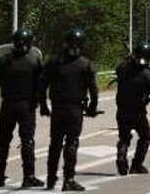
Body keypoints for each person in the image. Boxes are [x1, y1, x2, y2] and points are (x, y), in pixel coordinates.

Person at [39, 29, 99, 191]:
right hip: (74, 108)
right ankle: (68, 179)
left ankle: (51, 178)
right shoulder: (85, 64)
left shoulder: (53, 62)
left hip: (58, 108)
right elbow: (93, 91)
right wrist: (92, 109)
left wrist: (43, 106)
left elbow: (42, 85)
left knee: (55, 143)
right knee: (71, 143)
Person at [0, 28, 45, 188]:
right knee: (27, 141)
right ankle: (28, 176)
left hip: (7, 104)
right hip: (27, 105)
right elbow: (41, 84)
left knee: (2, 141)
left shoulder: (3, 60)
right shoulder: (34, 61)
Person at [115, 41, 150, 175]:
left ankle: (121, 158)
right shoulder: (147, 74)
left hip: (122, 109)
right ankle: (136, 164)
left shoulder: (124, 68)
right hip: (138, 112)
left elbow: (120, 70)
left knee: (124, 138)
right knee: (146, 135)